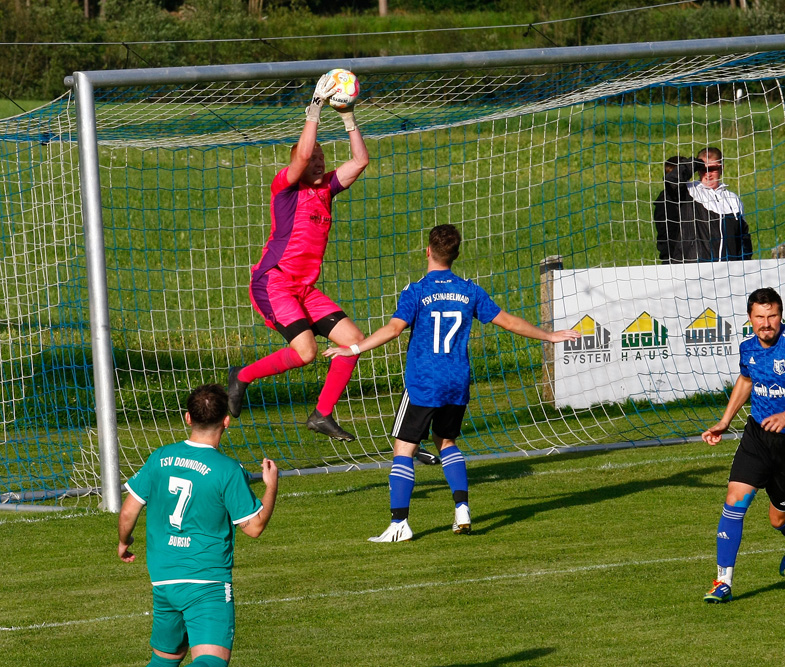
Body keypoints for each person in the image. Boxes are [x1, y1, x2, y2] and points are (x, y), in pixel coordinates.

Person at [325, 224, 581, 542]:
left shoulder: (416, 291)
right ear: (456, 255)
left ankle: (399, 524)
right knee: (446, 443)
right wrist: (550, 335)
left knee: (404, 449)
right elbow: (509, 321)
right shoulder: (471, 290)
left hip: (423, 382)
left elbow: (392, 330)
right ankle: (462, 508)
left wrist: (350, 348)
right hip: (456, 383)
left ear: (428, 251)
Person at [226, 73, 370, 442]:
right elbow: (302, 152)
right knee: (305, 351)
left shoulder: (327, 191)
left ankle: (321, 414)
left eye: (323, 157)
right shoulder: (285, 189)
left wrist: (348, 116)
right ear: (298, 167)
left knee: (353, 340)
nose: (318, 162)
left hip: (303, 288)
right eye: (313, 159)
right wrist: (316, 108)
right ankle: (242, 376)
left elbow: (360, 160)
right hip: (274, 282)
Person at [117, 384, 278, 667]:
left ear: (188, 418)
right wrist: (271, 486)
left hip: (164, 580)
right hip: (206, 582)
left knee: (165, 660)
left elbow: (129, 509)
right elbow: (254, 527)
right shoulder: (228, 469)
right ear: (226, 421)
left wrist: (124, 541)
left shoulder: (160, 457)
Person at [701, 288, 785, 603]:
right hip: (758, 436)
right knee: (735, 500)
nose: (766, 323)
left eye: (772, 316)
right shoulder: (748, 347)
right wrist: (724, 421)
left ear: (781, 316)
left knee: (779, 518)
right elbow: (746, 381)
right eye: (760, 317)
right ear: (750, 318)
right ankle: (722, 583)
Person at [652, 147, 752, 263]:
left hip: (727, 273)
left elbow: (744, 239)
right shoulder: (689, 191)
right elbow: (671, 180)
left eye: (713, 168)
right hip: (694, 270)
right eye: (703, 169)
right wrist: (693, 164)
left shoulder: (733, 199)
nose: (708, 174)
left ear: (721, 168)